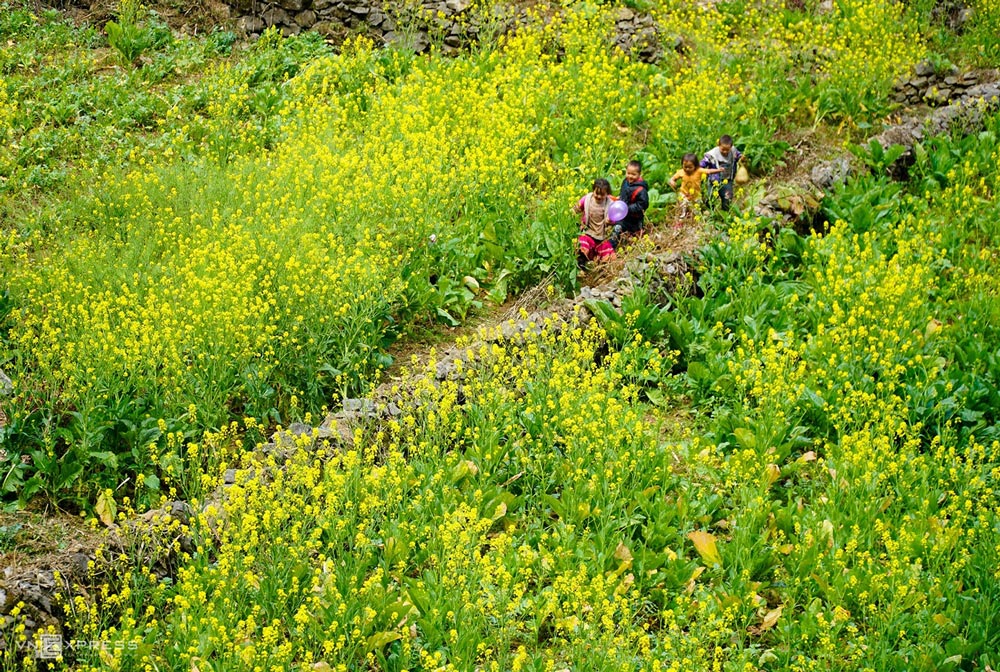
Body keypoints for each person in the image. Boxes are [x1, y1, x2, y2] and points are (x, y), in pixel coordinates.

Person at [669, 153, 723, 224]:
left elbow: (709, 171)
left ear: (696, 166)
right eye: (685, 167)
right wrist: (672, 181)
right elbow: (672, 178)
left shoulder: (699, 171)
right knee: (683, 205)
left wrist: (719, 170)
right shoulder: (681, 172)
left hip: (695, 195)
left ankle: (697, 219)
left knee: (696, 209)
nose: (687, 169)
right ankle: (682, 217)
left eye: (690, 167)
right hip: (684, 194)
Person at [574, 178, 617, 267]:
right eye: (597, 193)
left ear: (607, 194)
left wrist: (610, 221)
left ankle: (601, 268)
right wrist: (572, 212)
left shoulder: (610, 204)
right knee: (582, 245)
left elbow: (614, 219)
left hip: (601, 236)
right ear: (593, 191)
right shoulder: (587, 199)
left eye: (602, 194)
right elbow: (577, 208)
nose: (599, 196)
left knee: (607, 254)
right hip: (587, 232)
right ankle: (581, 264)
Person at [700, 135, 744, 211]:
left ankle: (725, 214)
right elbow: (703, 162)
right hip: (714, 180)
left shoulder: (733, 151)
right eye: (723, 149)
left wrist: (742, 158)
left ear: (731, 147)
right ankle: (711, 212)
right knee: (711, 198)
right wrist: (699, 168)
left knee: (727, 198)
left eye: (727, 150)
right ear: (718, 145)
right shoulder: (712, 154)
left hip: (727, 180)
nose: (725, 152)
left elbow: (739, 156)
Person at [617, 160, 649, 237]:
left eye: (633, 174)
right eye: (628, 173)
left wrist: (628, 208)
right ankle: (612, 245)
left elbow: (643, 205)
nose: (630, 176)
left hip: (635, 218)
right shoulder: (625, 182)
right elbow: (623, 193)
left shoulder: (641, 190)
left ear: (639, 174)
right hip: (624, 215)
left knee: (635, 234)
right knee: (617, 228)